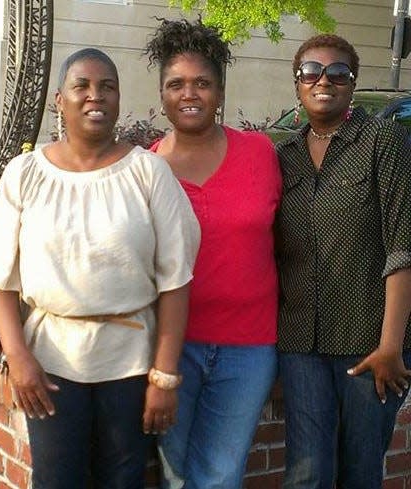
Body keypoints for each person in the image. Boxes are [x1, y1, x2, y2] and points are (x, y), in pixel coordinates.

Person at [0, 48, 200, 489]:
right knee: (56, 480)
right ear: (59, 100)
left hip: (129, 362)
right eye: (83, 86)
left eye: (107, 87)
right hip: (50, 364)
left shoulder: (148, 174)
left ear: (118, 98)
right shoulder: (25, 174)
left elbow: (176, 280)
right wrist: (18, 357)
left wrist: (164, 376)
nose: (96, 96)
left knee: (123, 479)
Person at [144, 18, 282, 489]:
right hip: (171, 348)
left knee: (220, 475)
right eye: (176, 84)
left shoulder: (261, 153)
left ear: (220, 92)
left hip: (249, 347)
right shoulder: (145, 170)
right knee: (176, 474)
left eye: (202, 83)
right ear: (162, 95)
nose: (189, 94)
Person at [275, 34, 411, 489]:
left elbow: (402, 246)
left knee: (359, 471)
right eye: (311, 72)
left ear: (352, 84)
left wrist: (391, 346)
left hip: (369, 343)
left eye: (338, 73)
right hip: (300, 344)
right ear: (297, 84)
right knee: (305, 474)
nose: (324, 81)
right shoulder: (284, 157)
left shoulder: (382, 141)